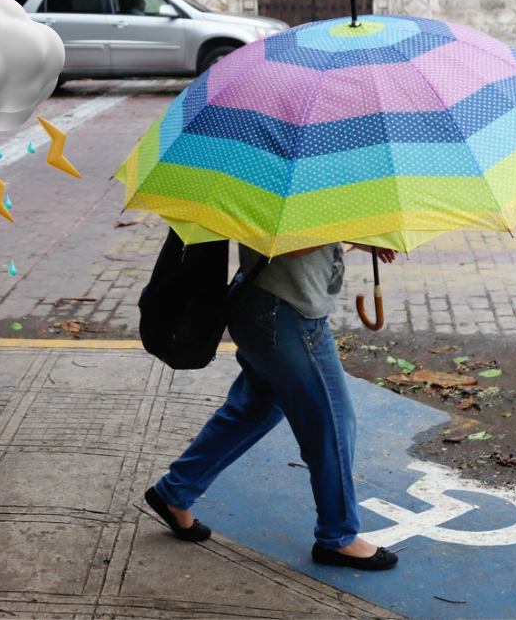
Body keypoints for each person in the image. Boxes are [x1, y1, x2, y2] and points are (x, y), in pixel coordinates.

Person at [145, 241, 400, 571]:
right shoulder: (297, 189)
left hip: (266, 306)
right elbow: (288, 246)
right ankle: (339, 537)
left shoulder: (300, 190)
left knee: (255, 409)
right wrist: (345, 228)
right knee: (332, 425)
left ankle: (174, 492)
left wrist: (357, 239)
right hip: (286, 316)